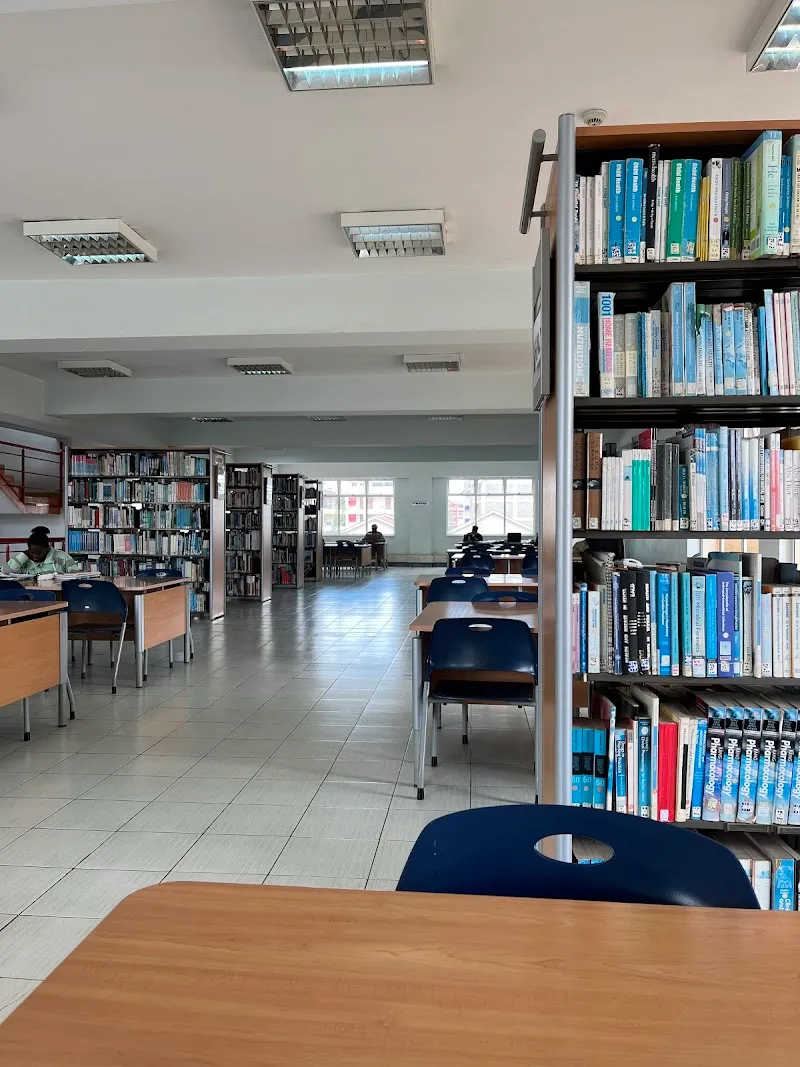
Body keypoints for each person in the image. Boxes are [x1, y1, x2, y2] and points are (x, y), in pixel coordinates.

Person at [3, 526, 82, 577]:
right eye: (32, 552)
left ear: (47, 548)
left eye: (39, 553)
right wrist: (23, 555)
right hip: (31, 595)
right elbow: (6, 571)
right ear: (28, 549)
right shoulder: (23, 560)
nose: (35, 556)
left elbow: (76, 576)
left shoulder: (62, 557)